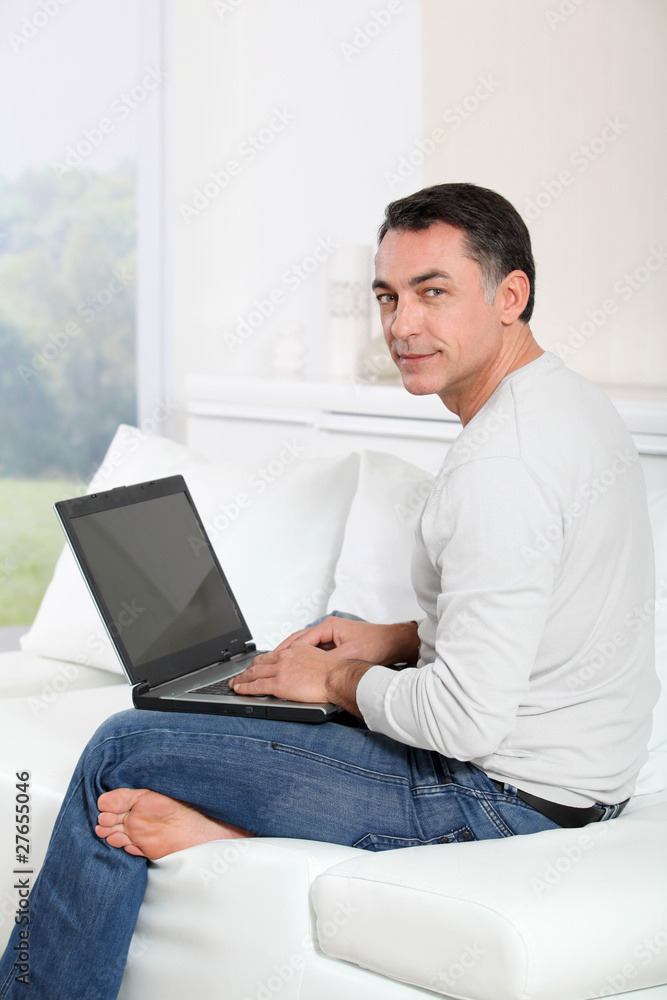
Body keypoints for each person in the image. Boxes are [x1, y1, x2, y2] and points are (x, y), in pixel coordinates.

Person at [0, 183, 658, 999]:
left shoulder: (501, 467)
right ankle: (231, 833)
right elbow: (544, 612)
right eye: (387, 296)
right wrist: (384, 641)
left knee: (121, 747)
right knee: (219, 714)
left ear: (509, 296)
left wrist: (338, 682)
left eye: (432, 293)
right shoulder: (568, 407)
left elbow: (464, 720)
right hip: (586, 786)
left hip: (501, 801)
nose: (401, 325)